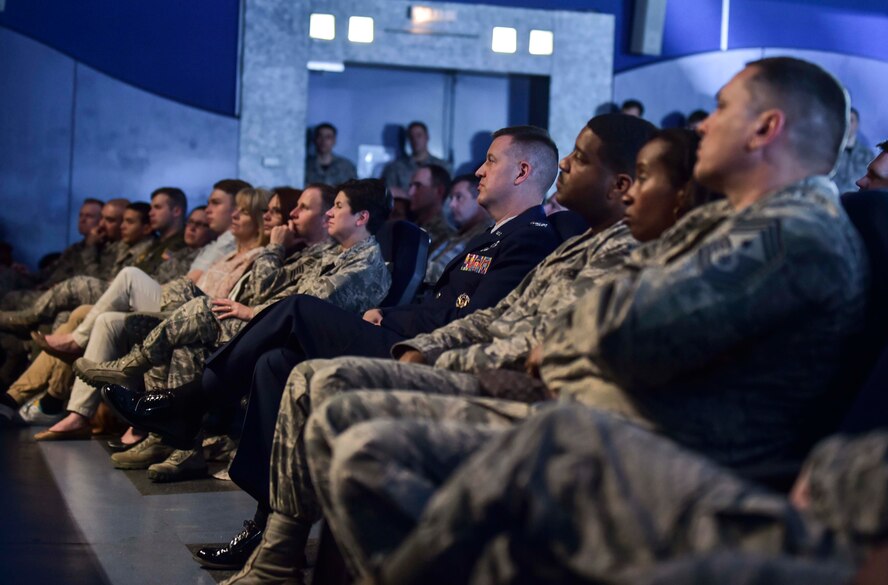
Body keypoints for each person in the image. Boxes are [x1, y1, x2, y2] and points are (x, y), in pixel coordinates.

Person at [299, 57, 869, 579]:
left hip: (657, 453)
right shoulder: (738, 222)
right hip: (591, 415)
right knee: (348, 422)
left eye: (721, 109)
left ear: (765, 129)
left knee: (367, 451)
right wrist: (581, 333)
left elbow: (624, 330)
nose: (702, 128)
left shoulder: (791, 233)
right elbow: (605, 314)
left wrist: (568, 339)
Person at [102, 126, 564, 571]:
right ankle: (266, 528)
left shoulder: (530, 240)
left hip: (423, 354)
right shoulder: (492, 235)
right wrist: (390, 313)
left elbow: (468, 322)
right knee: (273, 363)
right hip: (403, 332)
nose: (480, 171)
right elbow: (435, 302)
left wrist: (396, 322)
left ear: (522, 172)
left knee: (298, 310)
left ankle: (190, 402)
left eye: (491, 160)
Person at [32, 188, 272, 442]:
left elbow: (232, 300)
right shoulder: (226, 254)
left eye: (243, 211)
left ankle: (137, 415)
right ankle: (78, 414)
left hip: (203, 317)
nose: (234, 215)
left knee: (129, 277)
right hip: (186, 309)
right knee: (107, 321)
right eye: (234, 209)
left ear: (259, 217)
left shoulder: (261, 255)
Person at [2, 206, 217, 427]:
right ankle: (57, 406)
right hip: (142, 297)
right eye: (192, 223)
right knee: (84, 316)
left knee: (91, 294)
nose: (121, 226)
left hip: (174, 305)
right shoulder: (165, 249)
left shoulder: (183, 249)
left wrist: (91, 249)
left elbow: (173, 284)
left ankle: (48, 393)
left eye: (126, 221)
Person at [423, 174, 491, 285]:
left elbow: (465, 277)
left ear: (479, 198)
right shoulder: (455, 235)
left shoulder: (487, 238)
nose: (452, 205)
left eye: (458, 197)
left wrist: (418, 267)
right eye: (451, 198)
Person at [382, 121, 451, 199]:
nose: (415, 140)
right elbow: (388, 196)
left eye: (419, 135)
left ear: (427, 137)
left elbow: (449, 197)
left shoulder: (443, 167)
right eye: (411, 137)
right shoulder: (395, 168)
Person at [406, 164, 454, 251]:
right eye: (411, 186)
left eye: (418, 186)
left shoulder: (446, 236)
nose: (410, 192)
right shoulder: (411, 227)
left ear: (439, 191)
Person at [833, 107, 874, 193]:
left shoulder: (867, 156)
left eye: (851, 120)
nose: (847, 123)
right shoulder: (831, 152)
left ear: (857, 124)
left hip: (856, 200)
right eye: (845, 119)